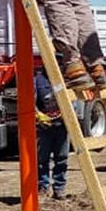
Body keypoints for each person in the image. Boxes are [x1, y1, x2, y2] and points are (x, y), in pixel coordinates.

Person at [34, 69, 68, 199]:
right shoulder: (38, 80)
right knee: (43, 158)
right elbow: (31, 100)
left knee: (62, 157)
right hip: (45, 126)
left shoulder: (64, 78)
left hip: (62, 124)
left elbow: (72, 99)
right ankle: (43, 186)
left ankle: (59, 188)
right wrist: (38, 115)